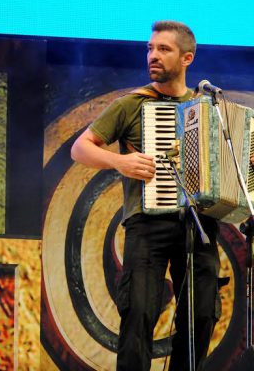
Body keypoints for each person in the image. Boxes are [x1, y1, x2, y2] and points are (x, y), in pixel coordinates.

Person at [71, 21, 220, 370]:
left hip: (198, 224)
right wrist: (119, 162)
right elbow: (80, 148)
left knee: (201, 317)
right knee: (138, 315)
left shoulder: (207, 108)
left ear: (187, 58)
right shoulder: (132, 104)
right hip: (147, 225)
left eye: (163, 49)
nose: (153, 55)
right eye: (150, 48)